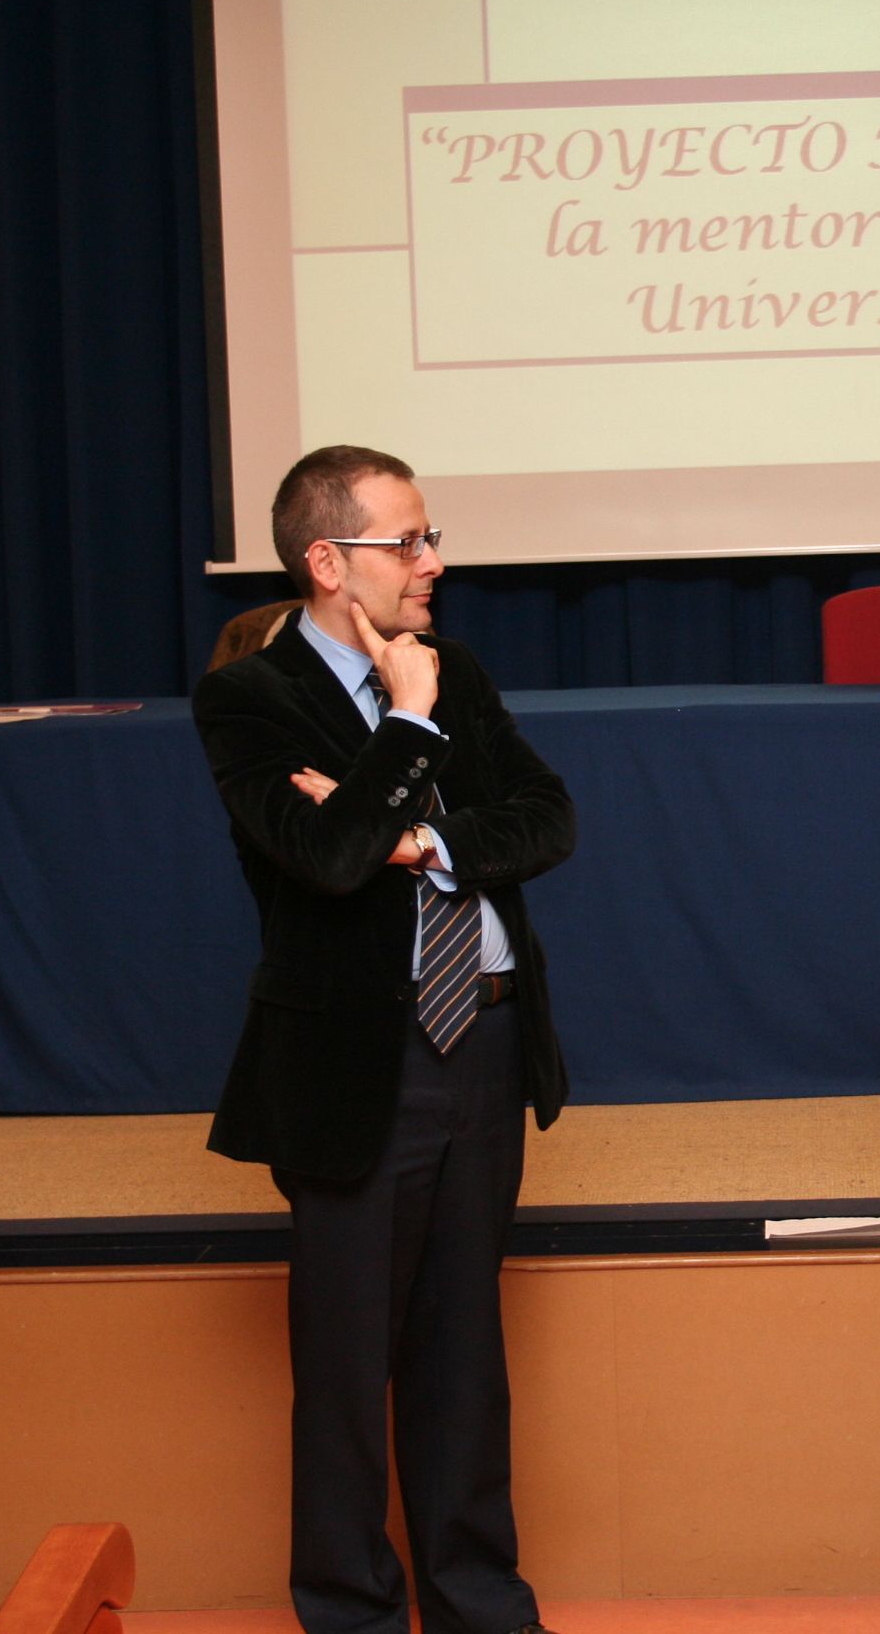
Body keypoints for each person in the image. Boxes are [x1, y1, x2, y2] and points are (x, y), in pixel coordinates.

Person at [194, 445, 572, 1634]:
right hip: (361, 1064)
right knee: (349, 1366)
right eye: (406, 541)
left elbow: (546, 818)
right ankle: (352, 1609)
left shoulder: (459, 670)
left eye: (429, 536)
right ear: (326, 560)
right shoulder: (251, 699)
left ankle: (479, 1603)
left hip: (484, 1041)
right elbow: (325, 857)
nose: (432, 561)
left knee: (465, 1352)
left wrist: (418, 839)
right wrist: (406, 724)